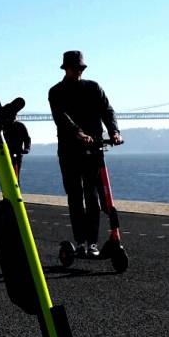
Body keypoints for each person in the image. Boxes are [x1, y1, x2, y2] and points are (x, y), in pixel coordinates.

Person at [48, 50, 123, 257]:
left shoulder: (93, 87)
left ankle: (92, 243)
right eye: (76, 68)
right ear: (66, 69)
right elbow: (61, 117)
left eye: (81, 68)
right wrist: (78, 133)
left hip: (94, 149)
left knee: (93, 198)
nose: (79, 72)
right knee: (75, 196)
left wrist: (114, 131)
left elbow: (107, 110)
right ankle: (80, 242)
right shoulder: (56, 92)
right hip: (69, 151)